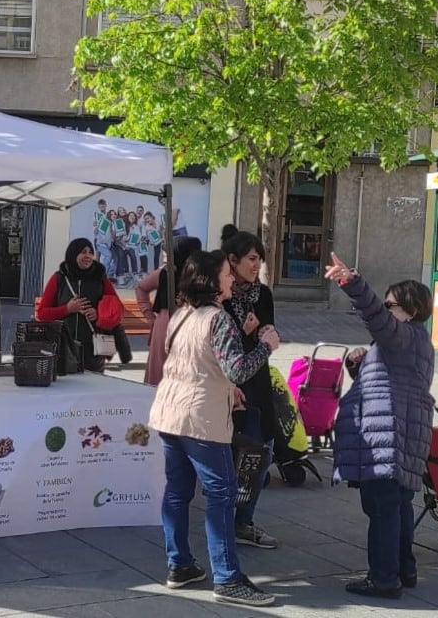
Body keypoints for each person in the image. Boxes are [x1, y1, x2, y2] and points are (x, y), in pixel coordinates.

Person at [149, 250, 280, 607]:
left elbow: (192, 362)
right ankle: (228, 577)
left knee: (177, 492)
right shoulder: (218, 319)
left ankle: (180, 565)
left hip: (169, 413)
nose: (230, 279)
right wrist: (266, 345)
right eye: (225, 274)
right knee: (222, 494)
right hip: (200, 420)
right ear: (211, 281)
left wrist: (227, 387)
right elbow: (237, 368)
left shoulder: (181, 316)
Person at [323, 252, 435, 599]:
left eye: (392, 305)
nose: (385, 310)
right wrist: (359, 365)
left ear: (410, 310)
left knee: (383, 509)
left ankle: (383, 578)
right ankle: (404, 568)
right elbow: (389, 380)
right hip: (402, 433)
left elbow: (374, 317)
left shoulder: (401, 335)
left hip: (388, 435)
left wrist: (352, 283)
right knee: (398, 506)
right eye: (385, 304)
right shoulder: (414, 341)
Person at [221, 232, 280, 550]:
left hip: (257, 382)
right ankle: (225, 522)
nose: (257, 265)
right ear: (232, 261)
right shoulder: (221, 296)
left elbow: (267, 334)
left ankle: (244, 520)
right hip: (228, 387)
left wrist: (264, 332)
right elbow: (223, 350)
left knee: (262, 451)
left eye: (259, 259)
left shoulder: (263, 294)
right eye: (251, 259)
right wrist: (248, 335)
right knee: (231, 456)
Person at [36, 238, 123, 372]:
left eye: (91, 252)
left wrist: (99, 314)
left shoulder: (100, 279)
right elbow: (42, 314)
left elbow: (117, 309)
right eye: (83, 252)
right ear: (73, 254)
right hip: (63, 349)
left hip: (93, 350)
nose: (88, 256)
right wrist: (67, 309)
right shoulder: (59, 278)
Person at [135, 235, 202, 385]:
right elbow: (141, 287)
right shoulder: (164, 273)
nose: (165, 255)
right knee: (160, 371)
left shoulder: (198, 276)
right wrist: (149, 315)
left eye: (168, 251)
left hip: (186, 325)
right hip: (165, 324)